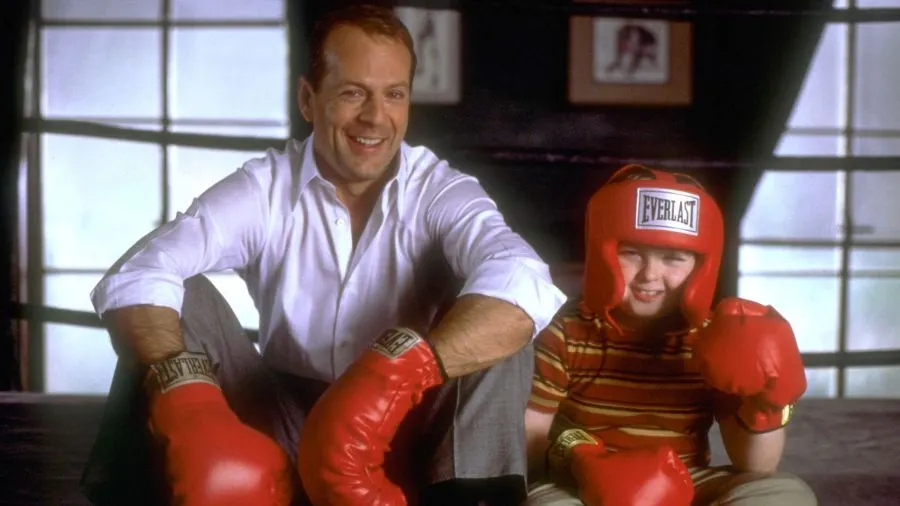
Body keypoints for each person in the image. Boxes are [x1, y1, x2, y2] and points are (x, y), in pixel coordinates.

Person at [79, 4, 566, 506]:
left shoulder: (440, 190)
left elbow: (522, 276)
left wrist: (397, 377)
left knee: (500, 318)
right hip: (278, 420)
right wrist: (191, 406)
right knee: (174, 301)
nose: (375, 117)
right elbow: (139, 271)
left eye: (394, 94)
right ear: (308, 100)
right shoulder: (266, 187)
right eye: (353, 92)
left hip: (406, 427)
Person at [522, 164, 817, 506]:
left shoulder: (712, 337)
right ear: (601, 252)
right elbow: (531, 439)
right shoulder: (566, 330)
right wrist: (581, 459)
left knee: (786, 494)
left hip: (686, 479)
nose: (650, 274)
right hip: (583, 479)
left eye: (673, 258)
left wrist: (765, 405)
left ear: (701, 267)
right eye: (631, 253)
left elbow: (757, 466)